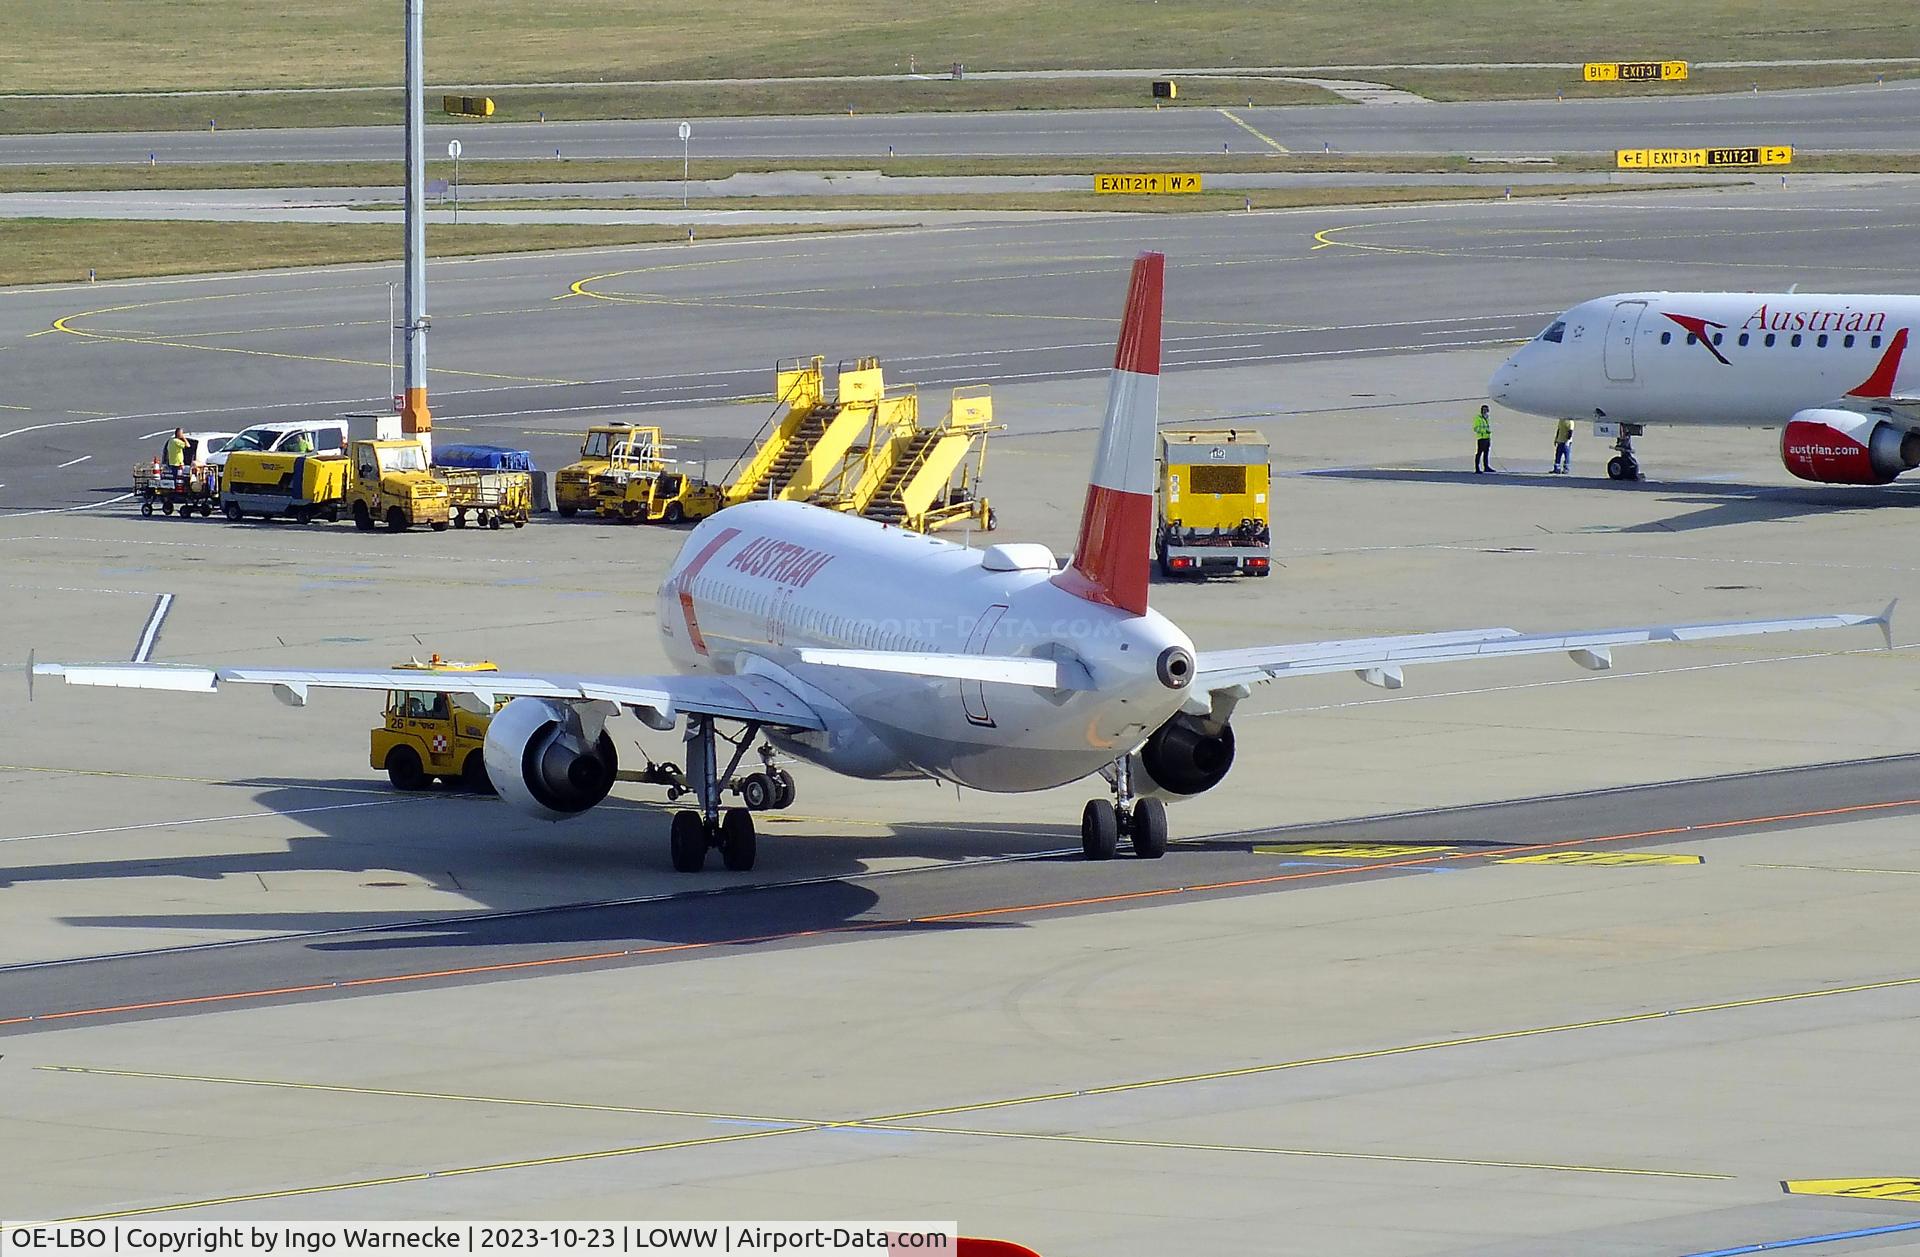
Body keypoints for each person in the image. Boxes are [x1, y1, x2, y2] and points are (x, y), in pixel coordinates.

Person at [1473, 405, 1493, 473]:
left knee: (1486, 453)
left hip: (1487, 437)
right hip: (1481, 438)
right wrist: (1485, 431)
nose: (1485, 411)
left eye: (1486, 410)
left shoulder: (1487, 418)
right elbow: (1476, 428)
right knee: (1479, 453)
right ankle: (1477, 468)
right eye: (1484, 410)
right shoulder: (1478, 418)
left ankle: (1486, 466)